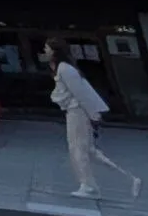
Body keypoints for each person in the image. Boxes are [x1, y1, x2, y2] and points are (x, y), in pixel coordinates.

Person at [43, 39, 139, 199]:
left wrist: (93, 114)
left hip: (77, 112)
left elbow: (81, 94)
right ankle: (127, 179)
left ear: (54, 51)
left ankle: (88, 185)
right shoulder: (65, 68)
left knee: (78, 148)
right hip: (77, 111)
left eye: (47, 48)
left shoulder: (65, 69)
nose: (45, 51)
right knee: (89, 150)